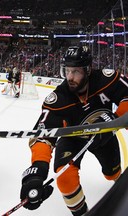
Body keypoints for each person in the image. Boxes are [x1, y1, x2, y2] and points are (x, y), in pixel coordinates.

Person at [20, 45, 128, 216]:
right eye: (67, 71)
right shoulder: (58, 99)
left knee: (113, 174)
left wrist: (115, 119)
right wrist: (37, 170)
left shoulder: (106, 79)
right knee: (64, 178)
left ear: (88, 70)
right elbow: (43, 136)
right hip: (72, 139)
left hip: (104, 136)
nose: (70, 77)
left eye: (76, 72)